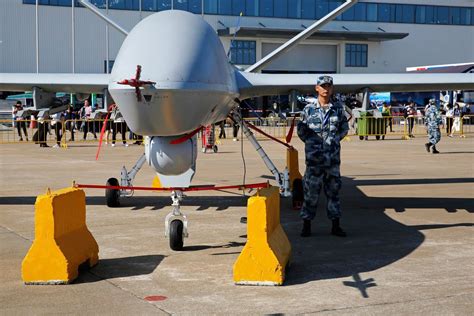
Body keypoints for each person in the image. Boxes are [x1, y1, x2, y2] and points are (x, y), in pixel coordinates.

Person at [297, 75, 349, 238]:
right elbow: (301, 131)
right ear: (317, 88)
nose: (326, 89)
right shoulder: (308, 110)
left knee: (333, 193)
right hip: (314, 161)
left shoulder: (338, 109)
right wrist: (314, 144)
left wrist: (332, 141)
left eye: (329, 86)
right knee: (310, 194)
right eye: (323, 86)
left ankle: (335, 226)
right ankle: (306, 226)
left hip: (332, 161)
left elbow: (344, 129)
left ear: (332, 88)